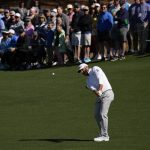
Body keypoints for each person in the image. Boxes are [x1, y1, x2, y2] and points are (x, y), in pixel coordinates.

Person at [78, 63, 114, 142]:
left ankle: (105, 136)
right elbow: (94, 90)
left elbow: (100, 79)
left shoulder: (95, 69)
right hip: (100, 96)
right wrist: (97, 93)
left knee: (103, 114)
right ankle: (102, 134)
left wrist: (100, 90)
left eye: (82, 69)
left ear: (86, 67)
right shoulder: (88, 81)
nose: (81, 72)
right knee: (96, 114)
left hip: (107, 93)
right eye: (80, 71)